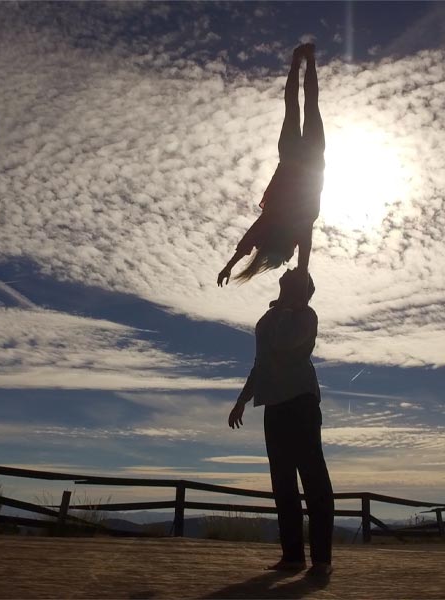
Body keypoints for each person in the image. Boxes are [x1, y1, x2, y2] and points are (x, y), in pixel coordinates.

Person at [228, 268, 334, 577]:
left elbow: (286, 345)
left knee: (313, 479)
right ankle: (293, 556)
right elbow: (261, 362)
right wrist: (242, 399)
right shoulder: (269, 317)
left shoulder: (305, 316)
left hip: (300, 401)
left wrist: (289, 308)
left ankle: (322, 559)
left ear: (302, 289)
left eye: (294, 279)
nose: (286, 273)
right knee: (283, 482)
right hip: (273, 404)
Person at [218, 43, 325, 296]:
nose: (290, 258)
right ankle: (298, 59)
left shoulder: (299, 224)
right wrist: (228, 266)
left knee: (309, 105)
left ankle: (306, 58)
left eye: (287, 257)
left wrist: (302, 270)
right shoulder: (271, 222)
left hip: (308, 159)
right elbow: (247, 244)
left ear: (286, 248)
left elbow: (304, 254)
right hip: (293, 157)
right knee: (294, 106)